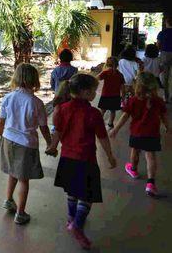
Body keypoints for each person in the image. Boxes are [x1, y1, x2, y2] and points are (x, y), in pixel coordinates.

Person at [46, 73, 117, 250]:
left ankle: (71, 218)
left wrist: (53, 147)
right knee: (87, 196)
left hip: (67, 159)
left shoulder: (61, 109)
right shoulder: (93, 113)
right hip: (86, 160)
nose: (95, 93)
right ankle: (77, 225)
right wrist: (110, 156)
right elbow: (103, 137)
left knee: (72, 190)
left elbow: (58, 132)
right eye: (94, 90)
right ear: (85, 92)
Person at [0, 63, 52, 225]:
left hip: (9, 139)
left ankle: (8, 199)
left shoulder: (8, 97)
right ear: (34, 80)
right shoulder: (36, 102)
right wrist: (50, 143)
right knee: (23, 179)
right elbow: (43, 126)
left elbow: (1, 121)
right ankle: (20, 213)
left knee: (12, 173)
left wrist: (3, 136)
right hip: (26, 144)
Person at [109, 72, 170, 197]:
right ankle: (151, 183)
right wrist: (168, 127)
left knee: (135, 151)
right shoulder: (158, 101)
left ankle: (133, 169)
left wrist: (115, 129)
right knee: (150, 156)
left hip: (137, 132)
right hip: (152, 134)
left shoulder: (133, 100)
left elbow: (125, 116)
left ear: (138, 86)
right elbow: (164, 116)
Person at [98, 57, 125, 129]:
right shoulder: (120, 74)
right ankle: (110, 124)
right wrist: (123, 96)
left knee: (102, 110)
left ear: (107, 64)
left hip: (105, 95)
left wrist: (103, 70)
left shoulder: (105, 72)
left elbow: (97, 78)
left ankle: (98, 123)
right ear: (117, 65)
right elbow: (122, 87)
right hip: (116, 96)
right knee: (113, 111)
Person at [157, 17, 172, 101]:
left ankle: (166, 96)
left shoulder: (162, 33)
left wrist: (159, 52)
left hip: (165, 54)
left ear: (167, 22)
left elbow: (158, 44)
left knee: (165, 76)